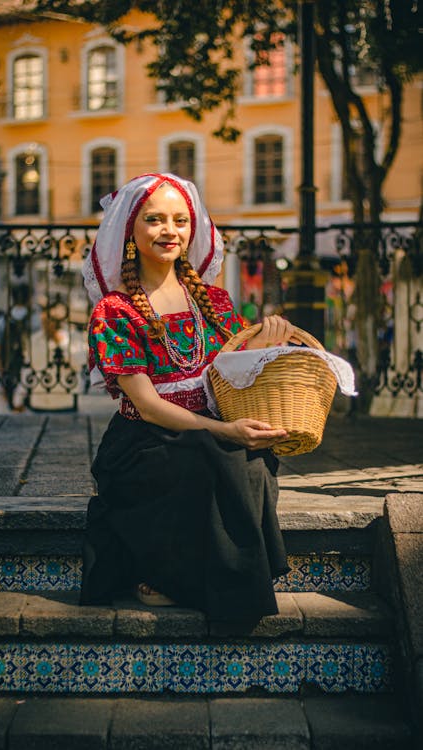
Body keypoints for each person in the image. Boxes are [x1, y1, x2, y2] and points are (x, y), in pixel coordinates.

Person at [80, 173, 299, 624]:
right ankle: (170, 575)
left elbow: (230, 372)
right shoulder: (114, 311)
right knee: (212, 454)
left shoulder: (214, 302)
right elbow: (147, 405)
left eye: (180, 220)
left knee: (252, 457)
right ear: (130, 233)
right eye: (155, 219)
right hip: (144, 442)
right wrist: (224, 430)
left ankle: (224, 581)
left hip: (207, 429)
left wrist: (266, 345)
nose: (170, 230)